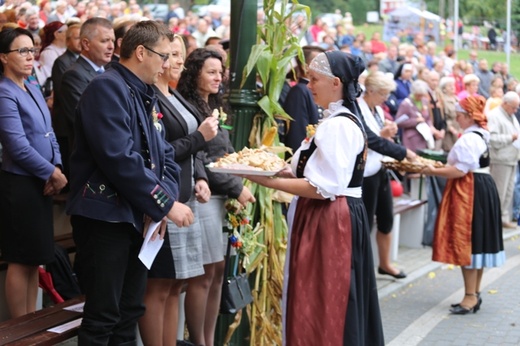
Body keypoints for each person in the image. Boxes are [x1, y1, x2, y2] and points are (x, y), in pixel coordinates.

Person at [242, 51, 384, 345]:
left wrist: (267, 181)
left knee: (323, 298)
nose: (308, 85)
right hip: (330, 216)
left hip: (331, 220)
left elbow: (325, 187)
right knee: (319, 294)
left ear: (335, 83)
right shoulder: (335, 121)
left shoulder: (338, 126)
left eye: (314, 79)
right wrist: (274, 169)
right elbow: (313, 172)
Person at [66, 21, 194, 345]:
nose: (167, 64)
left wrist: (158, 205)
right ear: (141, 52)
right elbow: (119, 158)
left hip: (134, 217)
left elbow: (164, 155)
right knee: (103, 317)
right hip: (105, 219)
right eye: (164, 56)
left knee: (129, 312)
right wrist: (164, 205)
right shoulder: (106, 87)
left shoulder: (143, 92)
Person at [138, 35, 218, 346]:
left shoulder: (174, 96)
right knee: (158, 286)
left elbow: (193, 149)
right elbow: (160, 151)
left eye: (182, 55)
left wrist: (199, 175)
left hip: (185, 195)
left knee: (175, 284)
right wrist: (200, 137)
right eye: (172, 55)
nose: (179, 62)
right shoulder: (151, 98)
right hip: (164, 199)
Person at [177, 47, 256, 346]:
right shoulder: (189, 106)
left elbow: (224, 155)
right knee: (204, 274)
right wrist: (237, 187)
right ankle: (200, 340)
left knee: (218, 272)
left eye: (219, 72)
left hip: (222, 199)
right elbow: (202, 160)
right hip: (205, 198)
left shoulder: (213, 105)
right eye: (210, 71)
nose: (217, 77)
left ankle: (209, 339)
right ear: (194, 73)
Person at [0, 27, 67, 318]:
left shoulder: (33, 85)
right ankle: (20, 327)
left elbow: (49, 131)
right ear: (3, 57)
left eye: (32, 50)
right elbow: (17, 146)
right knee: (20, 258)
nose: (30, 57)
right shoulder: (4, 92)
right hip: (19, 183)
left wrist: (58, 166)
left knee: (33, 260)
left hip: (41, 181)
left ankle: (31, 320)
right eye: (22, 51)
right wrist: (51, 172)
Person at [422, 95, 506, 314]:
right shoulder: (480, 134)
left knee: (467, 241)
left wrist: (433, 170)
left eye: (460, 115)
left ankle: (469, 296)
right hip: (482, 186)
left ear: (470, 116)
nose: (457, 118)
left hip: (470, 190)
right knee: (477, 242)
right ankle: (474, 293)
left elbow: (460, 170)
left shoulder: (470, 139)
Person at [358, 71, 413, 279]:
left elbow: (379, 138)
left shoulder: (377, 109)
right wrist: (401, 151)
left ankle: (385, 263)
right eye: (383, 94)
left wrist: (388, 133)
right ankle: (365, 266)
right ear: (370, 91)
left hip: (380, 168)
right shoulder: (358, 109)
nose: (385, 99)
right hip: (365, 173)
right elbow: (368, 139)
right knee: (367, 221)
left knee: (386, 218)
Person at [58, 18, 114, 150]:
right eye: (105, 41)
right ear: (86, 44)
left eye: (112, 40)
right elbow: (87, 121)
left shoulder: (108, 70)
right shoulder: (74, 75)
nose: (111, 46)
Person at [282, 45, 324, 155]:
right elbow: (297, 136)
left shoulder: (311, 91)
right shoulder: (299, 92)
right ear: (305, 67)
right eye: (320, 64)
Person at [487, 91, 520, 228]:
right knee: (499, 191)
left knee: (508, 191)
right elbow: (492, 139)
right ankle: (494, 220)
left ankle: (503, 218)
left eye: (517, 107)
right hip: (500, 159)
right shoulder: (494, 116)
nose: (515, 110)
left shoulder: (511, 116)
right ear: (505, 103)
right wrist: (510, 138)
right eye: (513, 107)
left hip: (512, 158)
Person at [396, 79, 433, 152]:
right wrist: (415, 121)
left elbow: (428, 118)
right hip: (411, 139)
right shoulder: (406, 104)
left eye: (422, 95)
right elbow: (399, 122)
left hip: (424, 137)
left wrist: (430, 126)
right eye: (418, 95)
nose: (420, 97)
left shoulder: (424, 101)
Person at [439, 76, 460, 152]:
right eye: (449, 86)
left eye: (453, 85)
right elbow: (443, 117)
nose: (452, 87)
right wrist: (450, 128)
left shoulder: (457, 99)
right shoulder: (443, 100)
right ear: (444, 89)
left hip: (459, 128)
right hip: (449, 132)